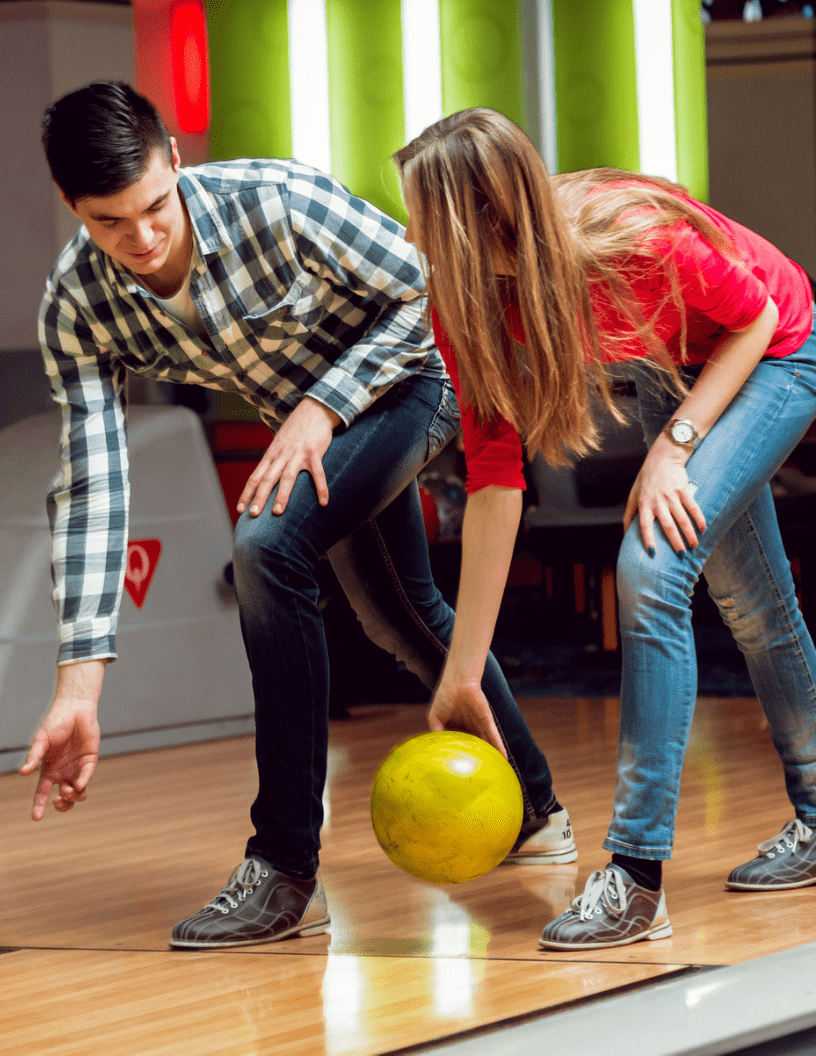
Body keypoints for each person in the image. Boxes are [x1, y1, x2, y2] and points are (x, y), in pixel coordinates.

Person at [21, 83, 576, 949]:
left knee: (266, 546)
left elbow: (420, 292)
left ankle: (284, 869)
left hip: (411, 381)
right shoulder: (78, 305)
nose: (143, 239)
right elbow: (94, 482)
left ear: (175, 158)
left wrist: (321, 406)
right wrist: (79, 685)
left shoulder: (276, 200)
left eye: (155, 206)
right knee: (400, 617)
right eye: (109, 223)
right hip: (318, 430)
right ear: (71, 207)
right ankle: (536, 810)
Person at [393, 107, 816, 950]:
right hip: (675, 367)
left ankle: (636, 875)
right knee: (756, 608)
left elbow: (758, 316)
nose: (411, 234)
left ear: (478, 223)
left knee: (652, 569)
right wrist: (464, 671)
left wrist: (675, 448)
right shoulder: (465, 300)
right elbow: (494, 479)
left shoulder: (629, 237)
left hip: (772, 349)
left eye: (422, 216)